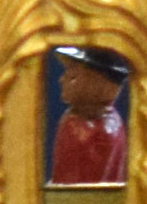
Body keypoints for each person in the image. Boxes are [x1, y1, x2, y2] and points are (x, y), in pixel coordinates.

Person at [50, 46, 130, 186]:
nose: (62, 79)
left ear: (97, 85)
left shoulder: (88, 129)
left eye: (72, 77)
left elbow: (74, 185)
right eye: (66, 74)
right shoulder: (73, 120)